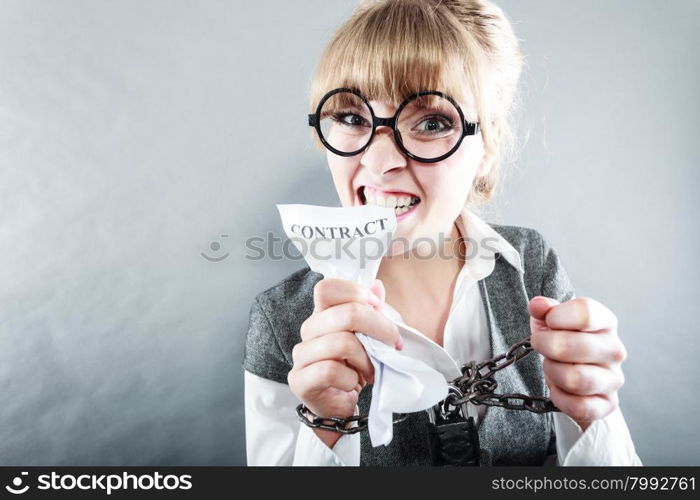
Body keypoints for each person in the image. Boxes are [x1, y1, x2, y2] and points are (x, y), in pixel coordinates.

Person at [243, 0, 642, 466]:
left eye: (431, 122)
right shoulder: (280, 321)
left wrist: (593, 416)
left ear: (488, 147)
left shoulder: (531, 266)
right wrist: (327, 425)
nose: (378, 161)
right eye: (351, 117)